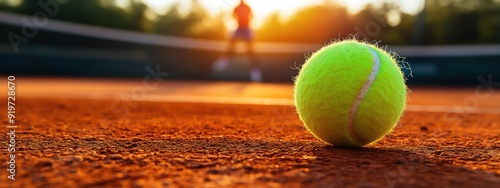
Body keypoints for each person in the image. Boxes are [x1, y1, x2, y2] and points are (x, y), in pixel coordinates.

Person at [213, 0, 262, 82]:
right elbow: (232, 16)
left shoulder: (248, 7)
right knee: (231, 42)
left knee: (251, 50)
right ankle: (225, 60)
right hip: (239, 28)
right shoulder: (236, 8)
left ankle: (255, 71)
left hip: (246, 28)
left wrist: (246, 20)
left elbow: (252, 16)